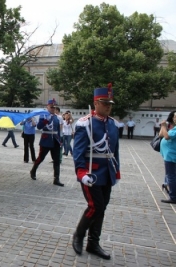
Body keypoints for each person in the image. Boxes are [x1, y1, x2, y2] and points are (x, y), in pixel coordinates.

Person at [72, 84, 120, 260]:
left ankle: (93, 243)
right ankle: (79, 234)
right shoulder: (85, 124)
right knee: (95, 206)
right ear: (96, 103)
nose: (108, 106)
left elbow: (115, 150)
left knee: (102, 208)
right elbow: (78, 151)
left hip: (107, 172)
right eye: (104, 102)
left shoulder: (114, 124)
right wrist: (81, 173)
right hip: (91, 173)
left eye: (110, 103)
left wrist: (117, 171)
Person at [30, 99, 64, 187]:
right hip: (46, 140)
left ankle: (56, 179)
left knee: (57, 160)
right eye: (51, 107)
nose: (53, 108)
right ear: (47, 107)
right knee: (41, 158)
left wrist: (60, 140)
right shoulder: (43, 116)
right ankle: (33, 171)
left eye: (54, 107)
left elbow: (58, 130)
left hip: (55, 141)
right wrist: (46, 120)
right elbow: (39, 126)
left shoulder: (57, 117)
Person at [159, 111, 176, 204]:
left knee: (171, 176)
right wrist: (163, 126)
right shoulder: (174, 128)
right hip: (169, 155)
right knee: (171, 175)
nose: (174, 119)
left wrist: (164, 127)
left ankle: (173, 196)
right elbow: (161, 134)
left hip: (171, 156)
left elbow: (166, 136)